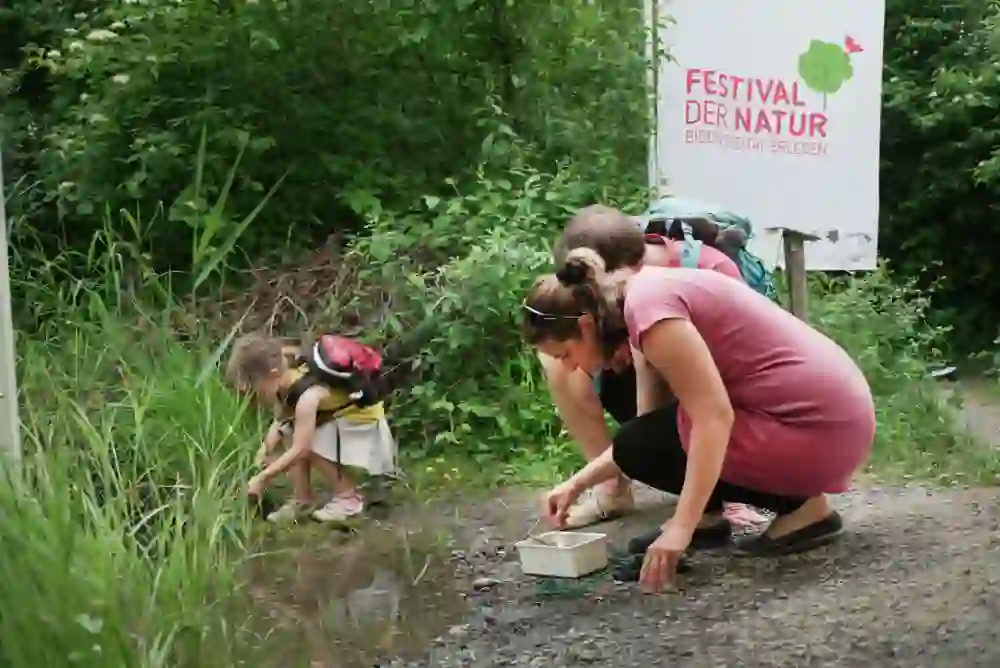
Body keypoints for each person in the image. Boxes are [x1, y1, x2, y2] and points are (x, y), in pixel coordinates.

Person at [522, 247, 875, 592]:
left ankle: (801, 508)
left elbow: (712, 418)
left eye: (564, 354)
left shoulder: (651, 313)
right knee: (647, 437)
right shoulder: (641, 293)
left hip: (818, 429)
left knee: (647, 442)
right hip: (828, 421)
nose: (569, 367)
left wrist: (680, 528)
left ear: (585, 327)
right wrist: (577, 484)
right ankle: (792, 507)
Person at [539, 204, 763, 529]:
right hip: (663, 371)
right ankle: (611, 490)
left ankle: (724, 489)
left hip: (722, 391)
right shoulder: (620, 287)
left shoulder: (706, 269)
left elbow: (736, 375)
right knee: (558, 358)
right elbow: (644, 410)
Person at [225, 333, 398, 524]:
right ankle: (303, 498)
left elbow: (301, 449)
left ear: (273, 373)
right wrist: (264, 452)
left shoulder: (307, 397)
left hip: (364, 428)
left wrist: (263, 478)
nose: (252, 397)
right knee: (291, 431)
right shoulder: (287, 380)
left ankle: (348, 499)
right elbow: (280, 423)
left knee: (304, 444)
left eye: (253, 389)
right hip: (339, 421)